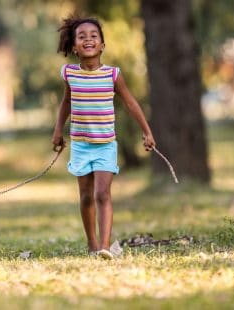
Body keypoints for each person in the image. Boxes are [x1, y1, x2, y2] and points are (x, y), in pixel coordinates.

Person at [51, 16, 156, 259]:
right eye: (82, 36)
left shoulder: (112, 75)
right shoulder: (69, 74)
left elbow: (130, 103)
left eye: (93, 36)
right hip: (80, 145)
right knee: (86, 196)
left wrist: (147, 131)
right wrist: (58, 130)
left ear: (102, 45)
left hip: (105, 145)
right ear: (74, 46)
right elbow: (66, 103)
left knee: (102, 194)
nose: (88, 39)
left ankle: (105, 248)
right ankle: (92, 243)